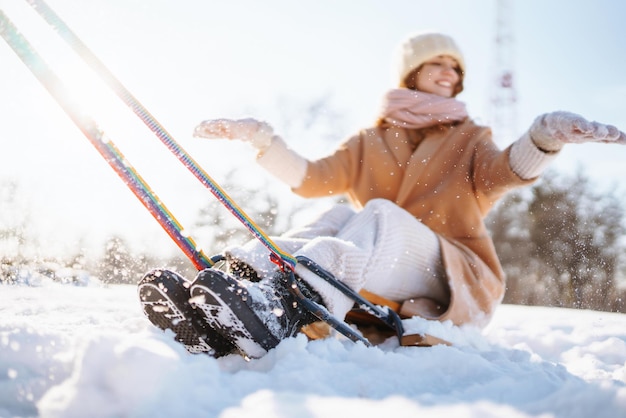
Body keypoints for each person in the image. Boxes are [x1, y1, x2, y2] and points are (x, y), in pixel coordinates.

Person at [138, 32, 625, 359]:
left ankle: (290, 308)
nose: (448, 73)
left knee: (379, 213)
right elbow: (311, 178)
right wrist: (262, 140)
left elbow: (506, 172)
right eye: (436, 63)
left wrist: (544, 137)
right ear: (411, 72)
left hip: (448, 275)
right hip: (378, 271)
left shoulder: (470, 138)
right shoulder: (370, 142)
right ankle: (233, 287)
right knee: (331, 215)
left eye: (454, 67)